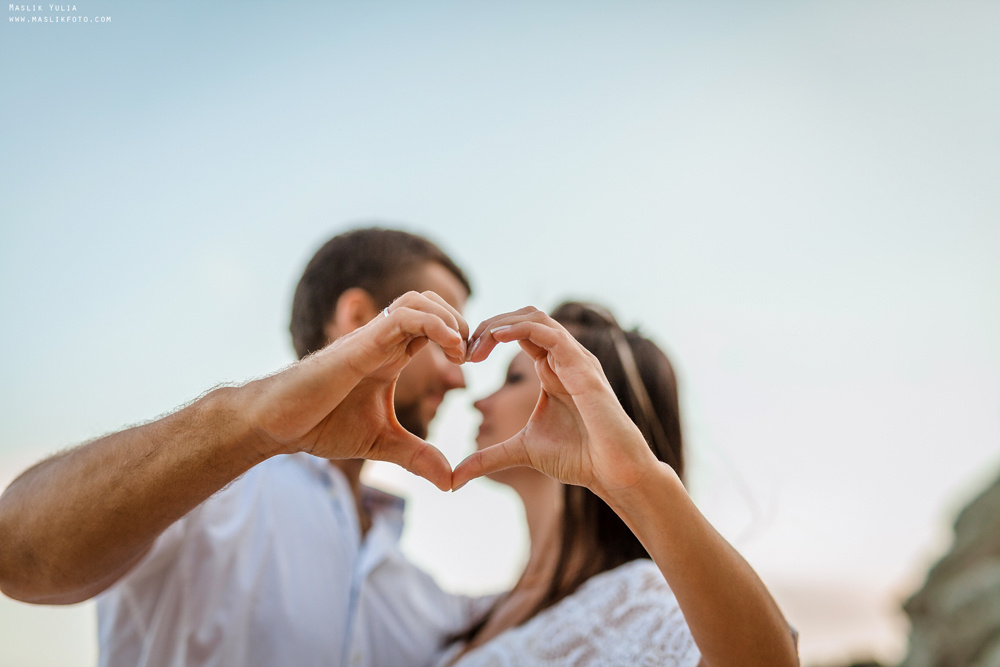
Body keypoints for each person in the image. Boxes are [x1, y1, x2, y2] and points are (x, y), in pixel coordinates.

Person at [0, 227, 489, 667]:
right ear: (358, 317)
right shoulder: (204, 491)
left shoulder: (418, 593)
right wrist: (250, 421)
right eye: (439, 334)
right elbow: (16, 551)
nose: (457, 378)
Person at [443, 302, 799, 666]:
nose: (479, 402)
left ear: (589, 409)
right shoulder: (476, 612)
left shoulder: (641, 604)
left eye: (514, 379)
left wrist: (638, 478)